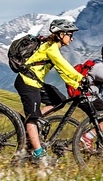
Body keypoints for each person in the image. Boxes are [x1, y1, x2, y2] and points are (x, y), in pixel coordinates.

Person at [13, 18, 85, 166]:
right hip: (27, 83)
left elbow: (62, 72)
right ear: (61, 34)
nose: (72, 38)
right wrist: (81, 79)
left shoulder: (52, 47)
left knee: (59, 100)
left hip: (36, 82)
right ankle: (38, 153)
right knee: (32, 118)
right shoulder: (51, 48)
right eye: (70, 35)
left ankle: (35, 124)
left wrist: (77, 84)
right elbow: (64, 66)